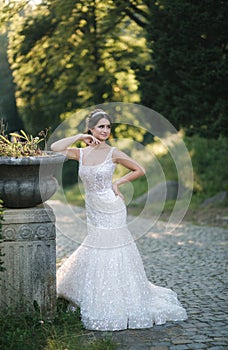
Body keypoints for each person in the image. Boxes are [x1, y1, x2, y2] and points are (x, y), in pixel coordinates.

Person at [51, 109, 187, 331]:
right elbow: (55, 147)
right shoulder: (80, 153)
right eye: (101, 126)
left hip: (112, 207)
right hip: (93, 209)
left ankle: (119, 298)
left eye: (108, 126)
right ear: (91, 129)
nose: (105, 130)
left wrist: (117, 183)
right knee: (97, 246)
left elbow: (139, 169)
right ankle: (96, 291)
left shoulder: (113, 152)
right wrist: (78, 137)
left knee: (115, 249)